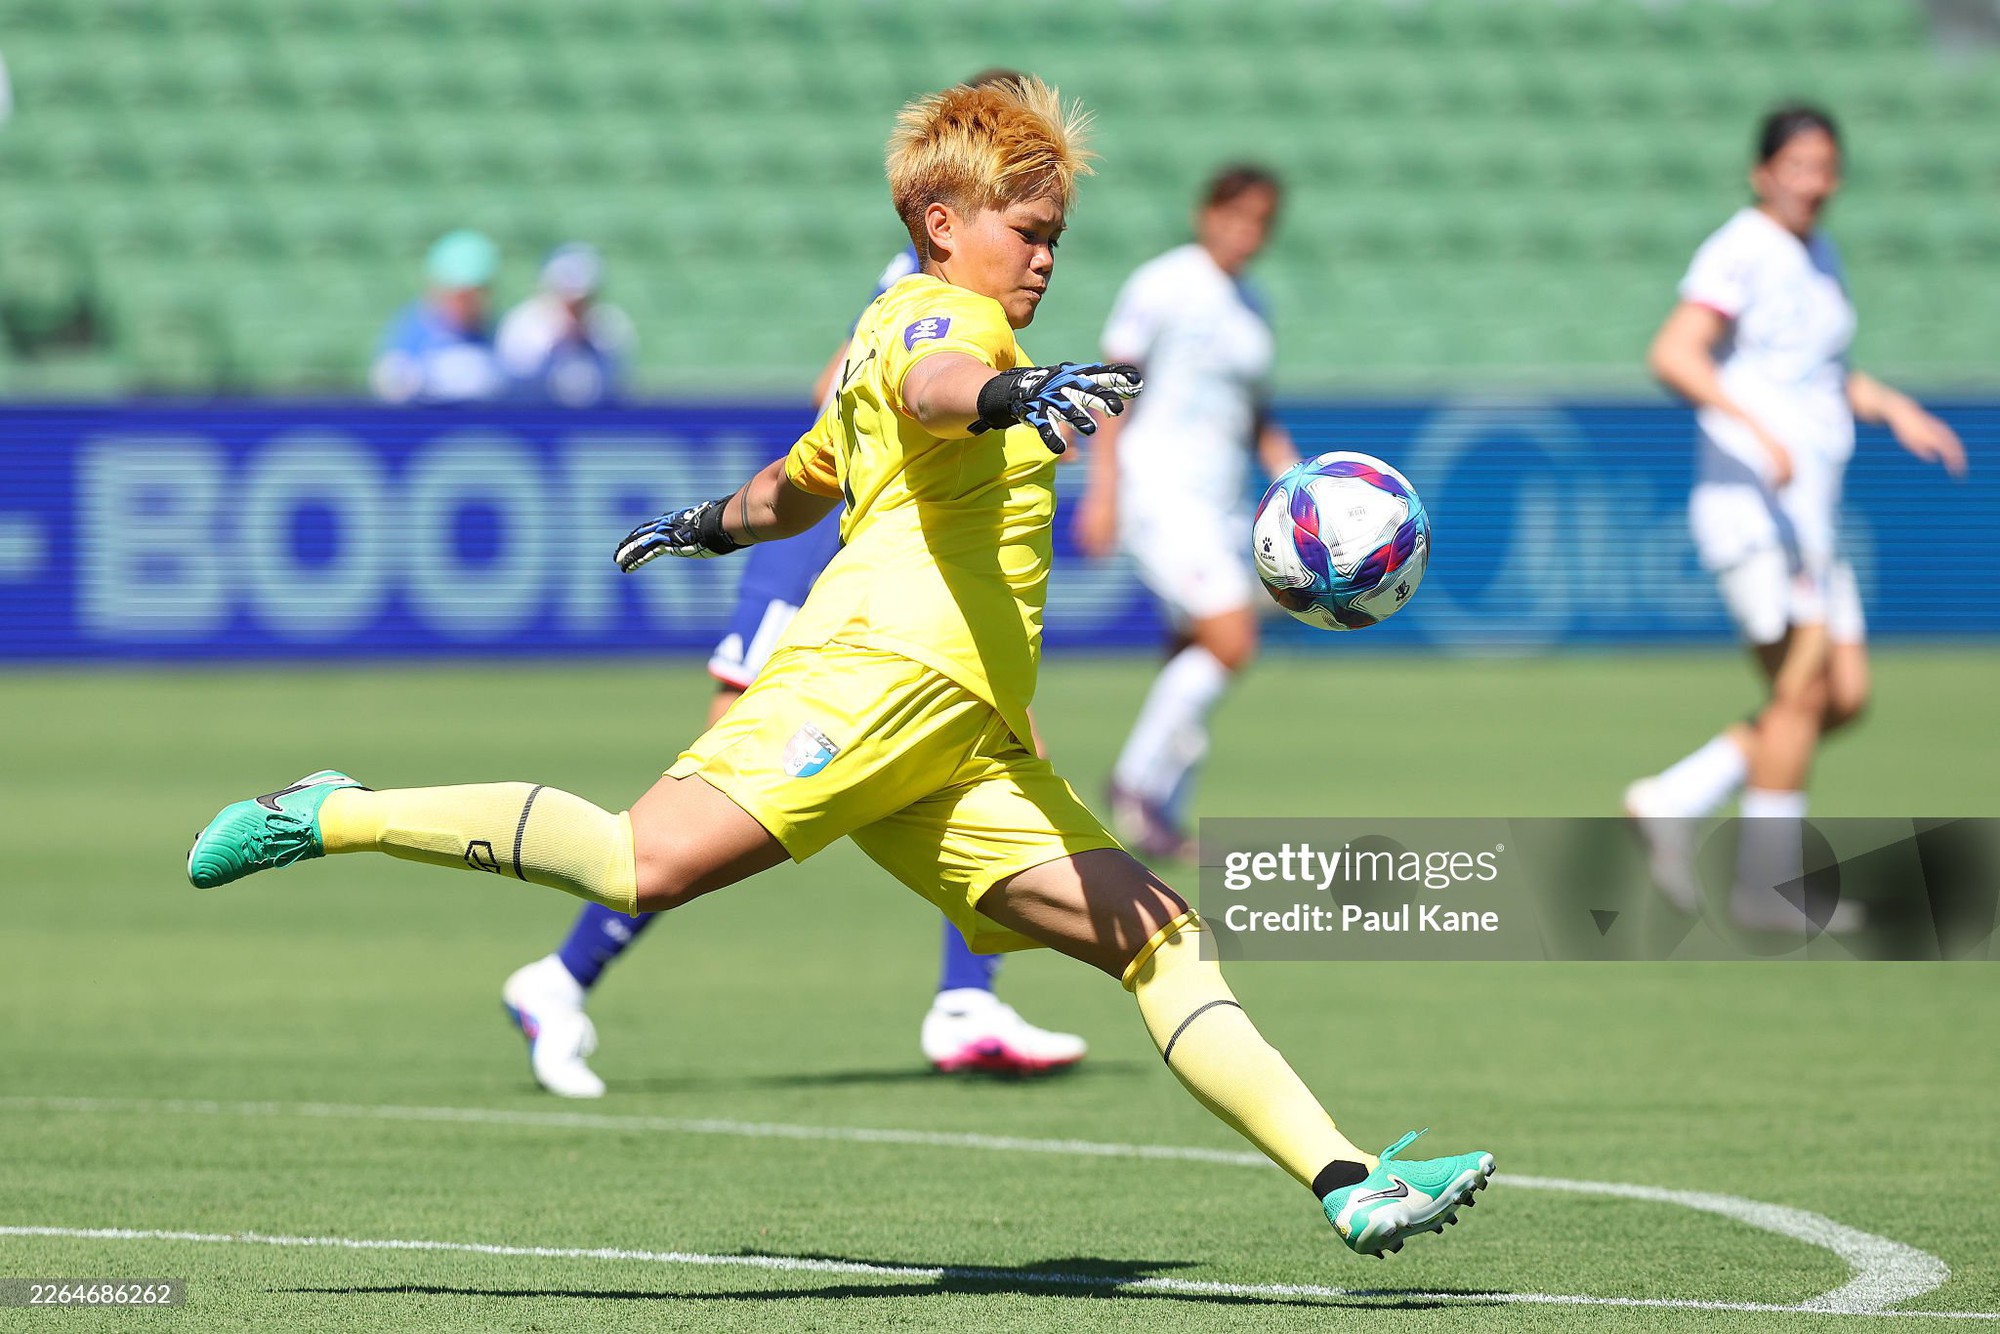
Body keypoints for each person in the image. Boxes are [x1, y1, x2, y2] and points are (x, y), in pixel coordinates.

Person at [188, 78, 1492, 1257]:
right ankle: (332, 810)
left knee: (1161, 939)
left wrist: (706, 523)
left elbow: (801, 483)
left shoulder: (914, 328)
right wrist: (999, 400)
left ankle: (1345, 1175)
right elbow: (940, 386)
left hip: (957, 737)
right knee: (635, 862)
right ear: (939, 220)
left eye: (1054, 236)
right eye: (1023, 230)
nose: (1043, 255)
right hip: (862, 687)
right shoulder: (941, 321)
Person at [501, 71, 1085, 1100]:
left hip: (906, 566)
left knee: (1007, 738)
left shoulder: (982, 273)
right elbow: (850, 400)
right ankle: (561, 973)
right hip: (828, 555)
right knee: (715, 776)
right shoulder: (924, 285)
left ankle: (965, 994)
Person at [1625, 104, 1967, 928]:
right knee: (1803, 689)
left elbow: (1816, 373)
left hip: (1809, 520)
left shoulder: (1821, 256)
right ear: (1763, 172)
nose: (1815, 183)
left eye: (1825, 167)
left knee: (1841, 695)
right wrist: (1753, 430)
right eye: (1799, 166)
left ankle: (1678, 794)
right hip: (1754, 511)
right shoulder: (1744, 246)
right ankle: (1766, 888)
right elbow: (1674, 352)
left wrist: (1894, 408)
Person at [1075, 165, 1298, 859]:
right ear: (1206, 212)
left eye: (1260, 221)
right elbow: (1117, 386)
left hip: (1221, 501)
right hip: (1160, 491)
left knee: (1190, 650)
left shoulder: (1252, 304)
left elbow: (1254, 409)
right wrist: (1103, 490)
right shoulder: (1164, 283)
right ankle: (1135, 781)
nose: (1245, 231)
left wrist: (1293, 477)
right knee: (1232, 637)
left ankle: (1161, 815)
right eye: (1235, 213)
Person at [371, 229, 506, 405]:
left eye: (479, 292)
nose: (471, 303)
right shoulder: (410, 335)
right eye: (461, 295)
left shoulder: (497, 334)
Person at [496, 242, 635, 407]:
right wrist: (556, 344)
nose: (576, 310)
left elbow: (616, 383)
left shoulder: (609, 326)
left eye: (583, 302)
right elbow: (515, 384)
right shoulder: (522, 326)